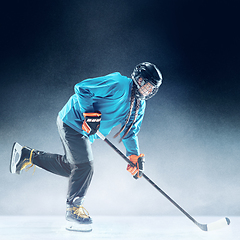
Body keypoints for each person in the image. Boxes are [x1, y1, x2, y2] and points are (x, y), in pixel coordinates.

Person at [10, 62, 163, 232]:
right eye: (149, 86)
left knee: (73, 169)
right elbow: (82, 88)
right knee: (85, 167)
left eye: (152, 89)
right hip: (72, 120)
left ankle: (27, 155)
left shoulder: (139, 105)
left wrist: (133, 156)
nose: (149, 91)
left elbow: (129, 131)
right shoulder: (118, 83)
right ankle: (73, 210)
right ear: (139, 80)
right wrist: (89, 112)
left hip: (86, 132)